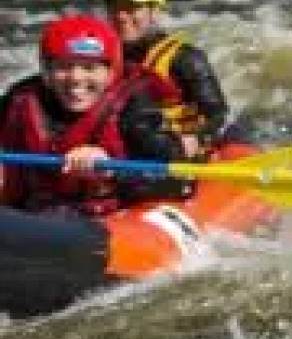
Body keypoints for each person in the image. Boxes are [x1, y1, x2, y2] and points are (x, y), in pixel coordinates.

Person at [0, 14, 186, 216]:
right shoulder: (19, 99)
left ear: (110, 72)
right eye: (63, 67)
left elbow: (180, 181)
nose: (76, 78)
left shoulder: (133, 109)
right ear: (47, 72)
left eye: (89, 68)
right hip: (31, 215)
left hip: (107, 216)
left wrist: (112, 170)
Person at [102, 0, 232, 158]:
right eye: (115, 7)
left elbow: (218, 115)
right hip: (130, 155)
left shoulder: (184, 58)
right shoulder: (102, 58)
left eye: (132, 7)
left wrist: (198, 139)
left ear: (154, 12)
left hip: (178, 155)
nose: (121, 16)